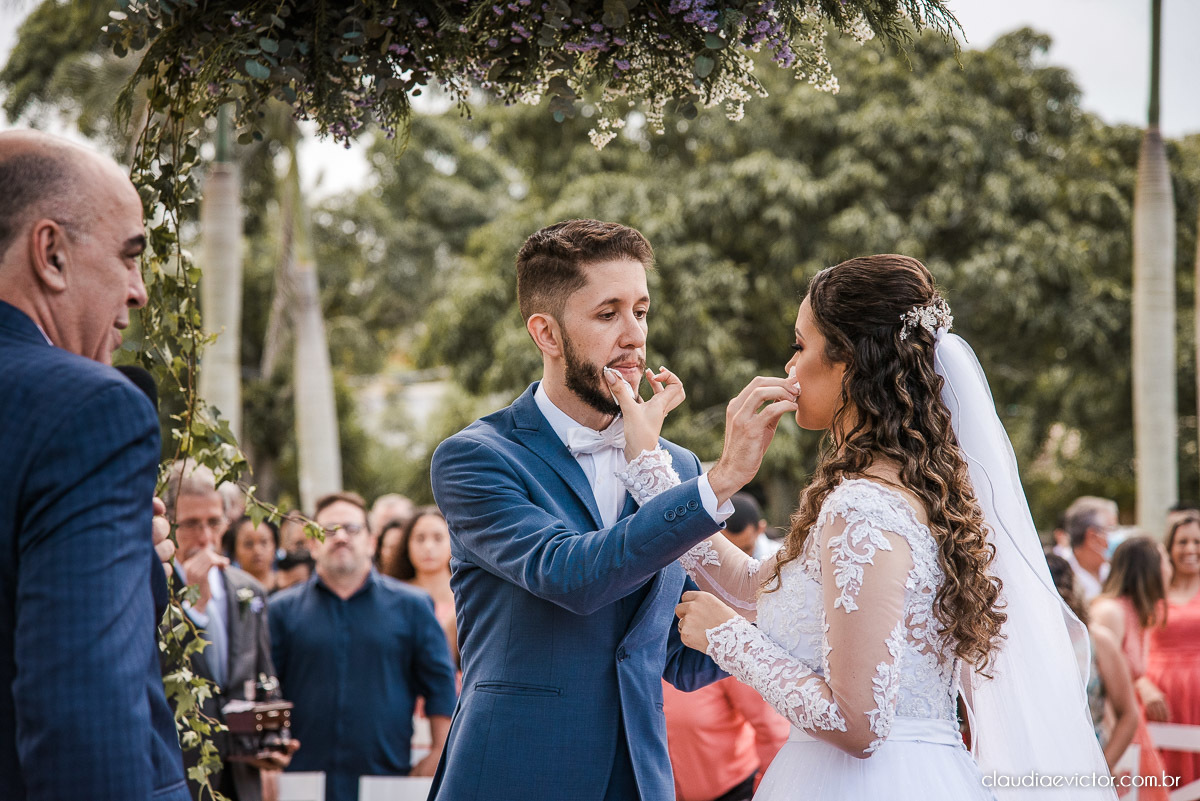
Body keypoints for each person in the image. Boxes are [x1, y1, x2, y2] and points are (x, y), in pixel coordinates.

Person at [637, 255, 1112, 799]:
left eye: (799, 346)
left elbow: (857, 724)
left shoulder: (864, 507)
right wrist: (654, 467)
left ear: (849, 363)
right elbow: (750, 587)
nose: (789, 368)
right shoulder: (906, 490)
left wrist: (727, 639)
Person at [429, 219, 788, 801]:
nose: (634, 336)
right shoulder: (476, 458)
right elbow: (573, 576)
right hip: (513, 778)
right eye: (608, 314)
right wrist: (719, 481)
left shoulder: (676, 467)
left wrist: (782, 609)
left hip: (643, 779)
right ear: (546, 333)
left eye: (641, 311)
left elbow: (677, 659)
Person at [0, 129, 189, 801]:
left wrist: (129, 560)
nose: (138, 291)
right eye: (129, 255)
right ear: (50, 252)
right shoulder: (88, 411)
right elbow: (84, 717)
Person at [269, 492, 458, 801]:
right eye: (329, 530)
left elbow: (440, 685)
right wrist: (266, 762)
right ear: (313, 544)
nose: (341, 537)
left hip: (387, 778)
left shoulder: (412, 606)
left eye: (352, 529)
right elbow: (267, 690)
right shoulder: (281, 610)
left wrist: (439, 751)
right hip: (301, 779)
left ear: (372, 542)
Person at [165, 461, 291, 801]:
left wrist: (273, 742)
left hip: (242, 774)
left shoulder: (247, 589)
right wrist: (192, 609)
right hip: (178, 772)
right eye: (190, 524)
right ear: (167, 524)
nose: (205, 537)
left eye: (213, 522)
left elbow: (263, 672)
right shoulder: (152, 589)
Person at [1088, 535, 1172, 798]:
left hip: (1135, 730)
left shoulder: (1140, 613)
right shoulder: (1110, 612)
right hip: (1115, 736)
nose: (1170, 567)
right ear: (1149, 568)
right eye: (1165, 560)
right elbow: (1099, 684)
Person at [662, 676, 789, 801]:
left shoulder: (715, 663)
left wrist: (767, 791)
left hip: (737, 791)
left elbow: (772, 731)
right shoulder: (645, 664)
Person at [1145, 515, 1200, 788]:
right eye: (1183, 542)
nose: (1191, 549)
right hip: (1159, 698)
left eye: (1197, 542)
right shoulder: (1154, 591)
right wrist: (1143, 687)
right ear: (1170, 546)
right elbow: (1130, 648)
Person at [388, 507, 458, 663]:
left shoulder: (467, 595)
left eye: (438, 538)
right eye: (419, 538)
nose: (428, 547)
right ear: (407, 544)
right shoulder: (391, 594)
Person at [1064, 496, 1118, 603]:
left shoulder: (1113, 573)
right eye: (1111, 529)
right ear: (1092, 537)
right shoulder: (1064, 581)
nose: (1117, 536)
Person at [224, 516, 281, 592]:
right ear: (234, 551)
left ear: (274, 545)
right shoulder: (228, 591)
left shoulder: (289, 586)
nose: (257, 551)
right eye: (248, 544)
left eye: (264, 542)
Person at [725, 492, 782, 560]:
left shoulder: (780, 558)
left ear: (760, 529)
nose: (737, 557)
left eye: (745, 549)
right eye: (729, 550)